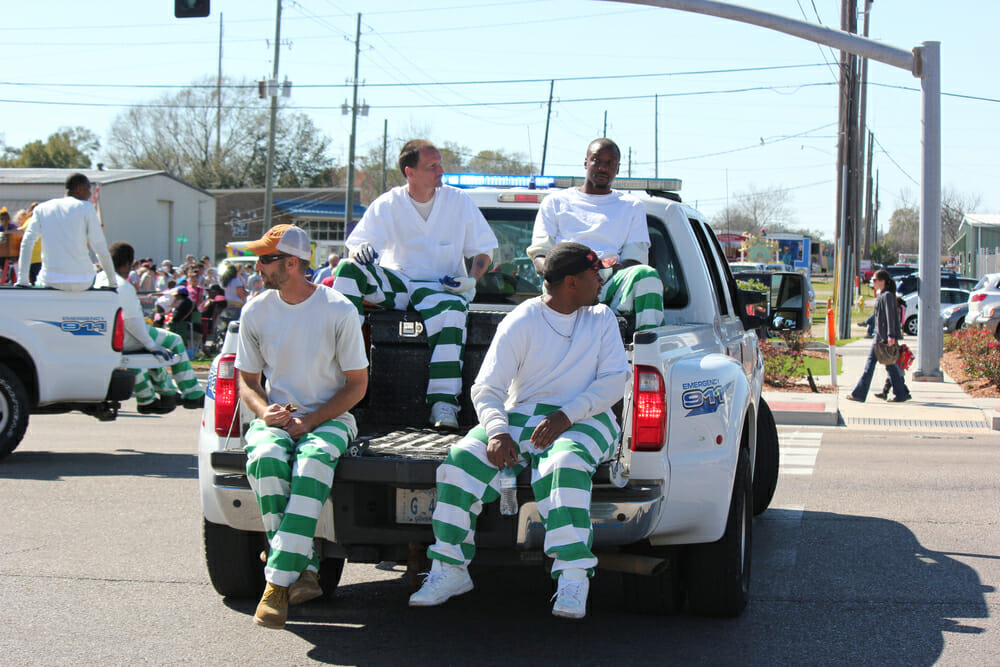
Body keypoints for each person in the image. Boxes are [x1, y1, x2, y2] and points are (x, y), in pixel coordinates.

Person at [408, 242, 631, 620]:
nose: (602, 283)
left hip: (587, 416)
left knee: (564, 463)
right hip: (521, 414)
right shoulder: (523, 319)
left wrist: (566, 415)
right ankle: (450, 569)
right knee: (461, 460)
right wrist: (496, 432)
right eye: (596, 276)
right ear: (572, 282)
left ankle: (573, 576)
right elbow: (487, 388)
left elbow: (613, 381)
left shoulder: (602, 317)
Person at [235, 224, 368, 629]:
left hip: (330, 418)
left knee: (312, 463)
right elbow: (247, 381)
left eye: (265, 259)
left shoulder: (338, 309)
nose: (257, 266)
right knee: (265, 456)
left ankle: (276, 581)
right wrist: (264, 412)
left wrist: (310, 421)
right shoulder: (255, 310)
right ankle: (304, 567)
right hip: (276, 417)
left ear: (291, 264)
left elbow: (357, 384)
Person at [333, 139, 498, 430]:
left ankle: (444, 403)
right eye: (431, 166)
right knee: (347, 271)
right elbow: (358, 246)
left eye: (440, 164)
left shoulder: (458, 201)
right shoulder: (388, 203)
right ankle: (338, 371)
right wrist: (358, 253)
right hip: (399, 283)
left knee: (452, 311)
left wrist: (471, 278)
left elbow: (483, 251)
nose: (440, 170)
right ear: (410, 172)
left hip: (440, 288)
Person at [528, 138, 664, 331]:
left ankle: (646, 347)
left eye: (610, 163)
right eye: (596, 160)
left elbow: (635, 259)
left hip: (610, 280)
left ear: (617, 168)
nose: (602, 167)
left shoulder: (631, 206)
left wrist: (600, 270)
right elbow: (539, 254)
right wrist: (560, 272)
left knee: (647, 275)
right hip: (565, 283)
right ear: (586, 162)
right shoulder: (555, 202)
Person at [97, 242, 206, 414]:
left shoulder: (98, 279)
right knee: (173, 341)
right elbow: (134, 323)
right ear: (127, 264)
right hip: (125, 336)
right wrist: (152, 345)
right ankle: (192, 393)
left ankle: (152, 396)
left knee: (141, 356)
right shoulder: (123, 286)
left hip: (104, 335)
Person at [17, 174, 117, 291]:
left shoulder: (42, 209)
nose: (90, 194)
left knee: (41, 279)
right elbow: (99, 248)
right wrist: (112, 282)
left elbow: (27, 243)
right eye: (87, 189)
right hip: (83, 280)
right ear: (78, 189)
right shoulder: (86, 208)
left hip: (50, 281)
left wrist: (22, 280)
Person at [847, 269, 911, 403]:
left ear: (883, 281)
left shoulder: (886, 296)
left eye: (875, 280)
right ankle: (901, 394)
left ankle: (859, 394)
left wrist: (891, 335)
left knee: (870, 367)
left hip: (883, 338)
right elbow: (877, 317)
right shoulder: (882, 295)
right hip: (880, 337)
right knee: (891, 366)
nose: (873, 282)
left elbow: (890, 316)